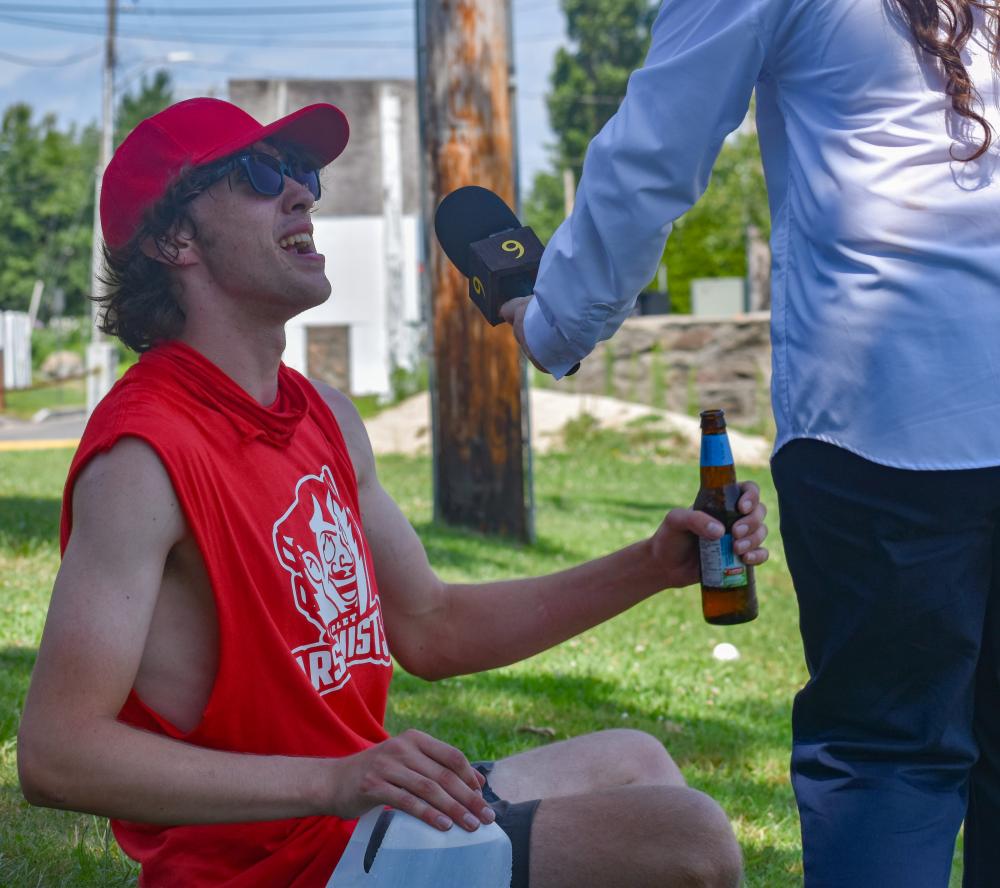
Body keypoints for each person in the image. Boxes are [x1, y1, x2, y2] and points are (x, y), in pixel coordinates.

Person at [16, 97, 769, 888]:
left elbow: (432, 626)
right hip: (270, 864)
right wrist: (333, 781)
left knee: (634, 759)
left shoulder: (324, 416)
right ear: (175, 238)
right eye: (262, 174)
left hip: (351, 826)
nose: (303, 193)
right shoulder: (144, 453)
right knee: (688, 839)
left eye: (303, 172)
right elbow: (58, 752)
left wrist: (652, 565)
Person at [500, 1, 1000, 886]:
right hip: (924, 402)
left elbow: (654, 153)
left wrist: (551, 326)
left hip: (888, 416)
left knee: (887, 758)